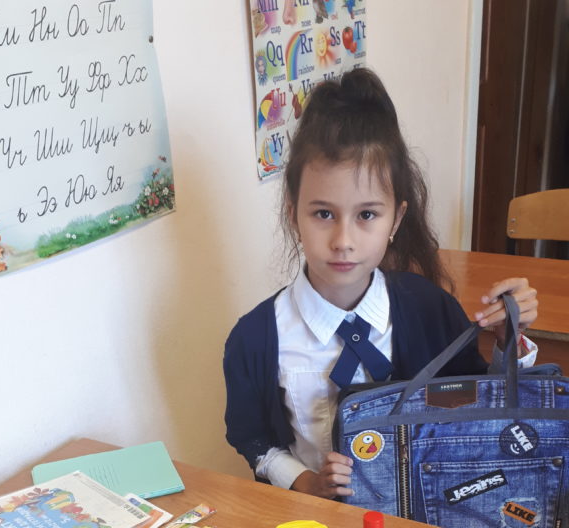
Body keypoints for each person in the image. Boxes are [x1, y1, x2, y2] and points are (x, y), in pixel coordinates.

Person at [224, 69, 539, 500]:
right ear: (293, 213)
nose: (343, 240)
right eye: (323, 214)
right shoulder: (254, 338)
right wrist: (306, 482)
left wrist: (508, 339)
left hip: (427, 516)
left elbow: (483, 410)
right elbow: (253, 439)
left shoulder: (431, 309)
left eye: (367, 215)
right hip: (320, 523)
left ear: (396, 218)